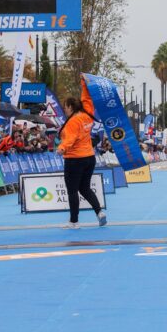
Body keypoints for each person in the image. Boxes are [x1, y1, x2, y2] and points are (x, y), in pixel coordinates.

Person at [56, 77, 107, 229]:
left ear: (71, 107)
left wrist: (62, 148)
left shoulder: (73, 121)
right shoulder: (87, 114)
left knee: (72, 191)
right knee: (84, 188)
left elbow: (70, 139)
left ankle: (74, 222)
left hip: (74, 159)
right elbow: (87, 99)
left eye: (65, 107)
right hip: (89, 158)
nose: (64, 110)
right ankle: (99, 213)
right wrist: (85, 83)